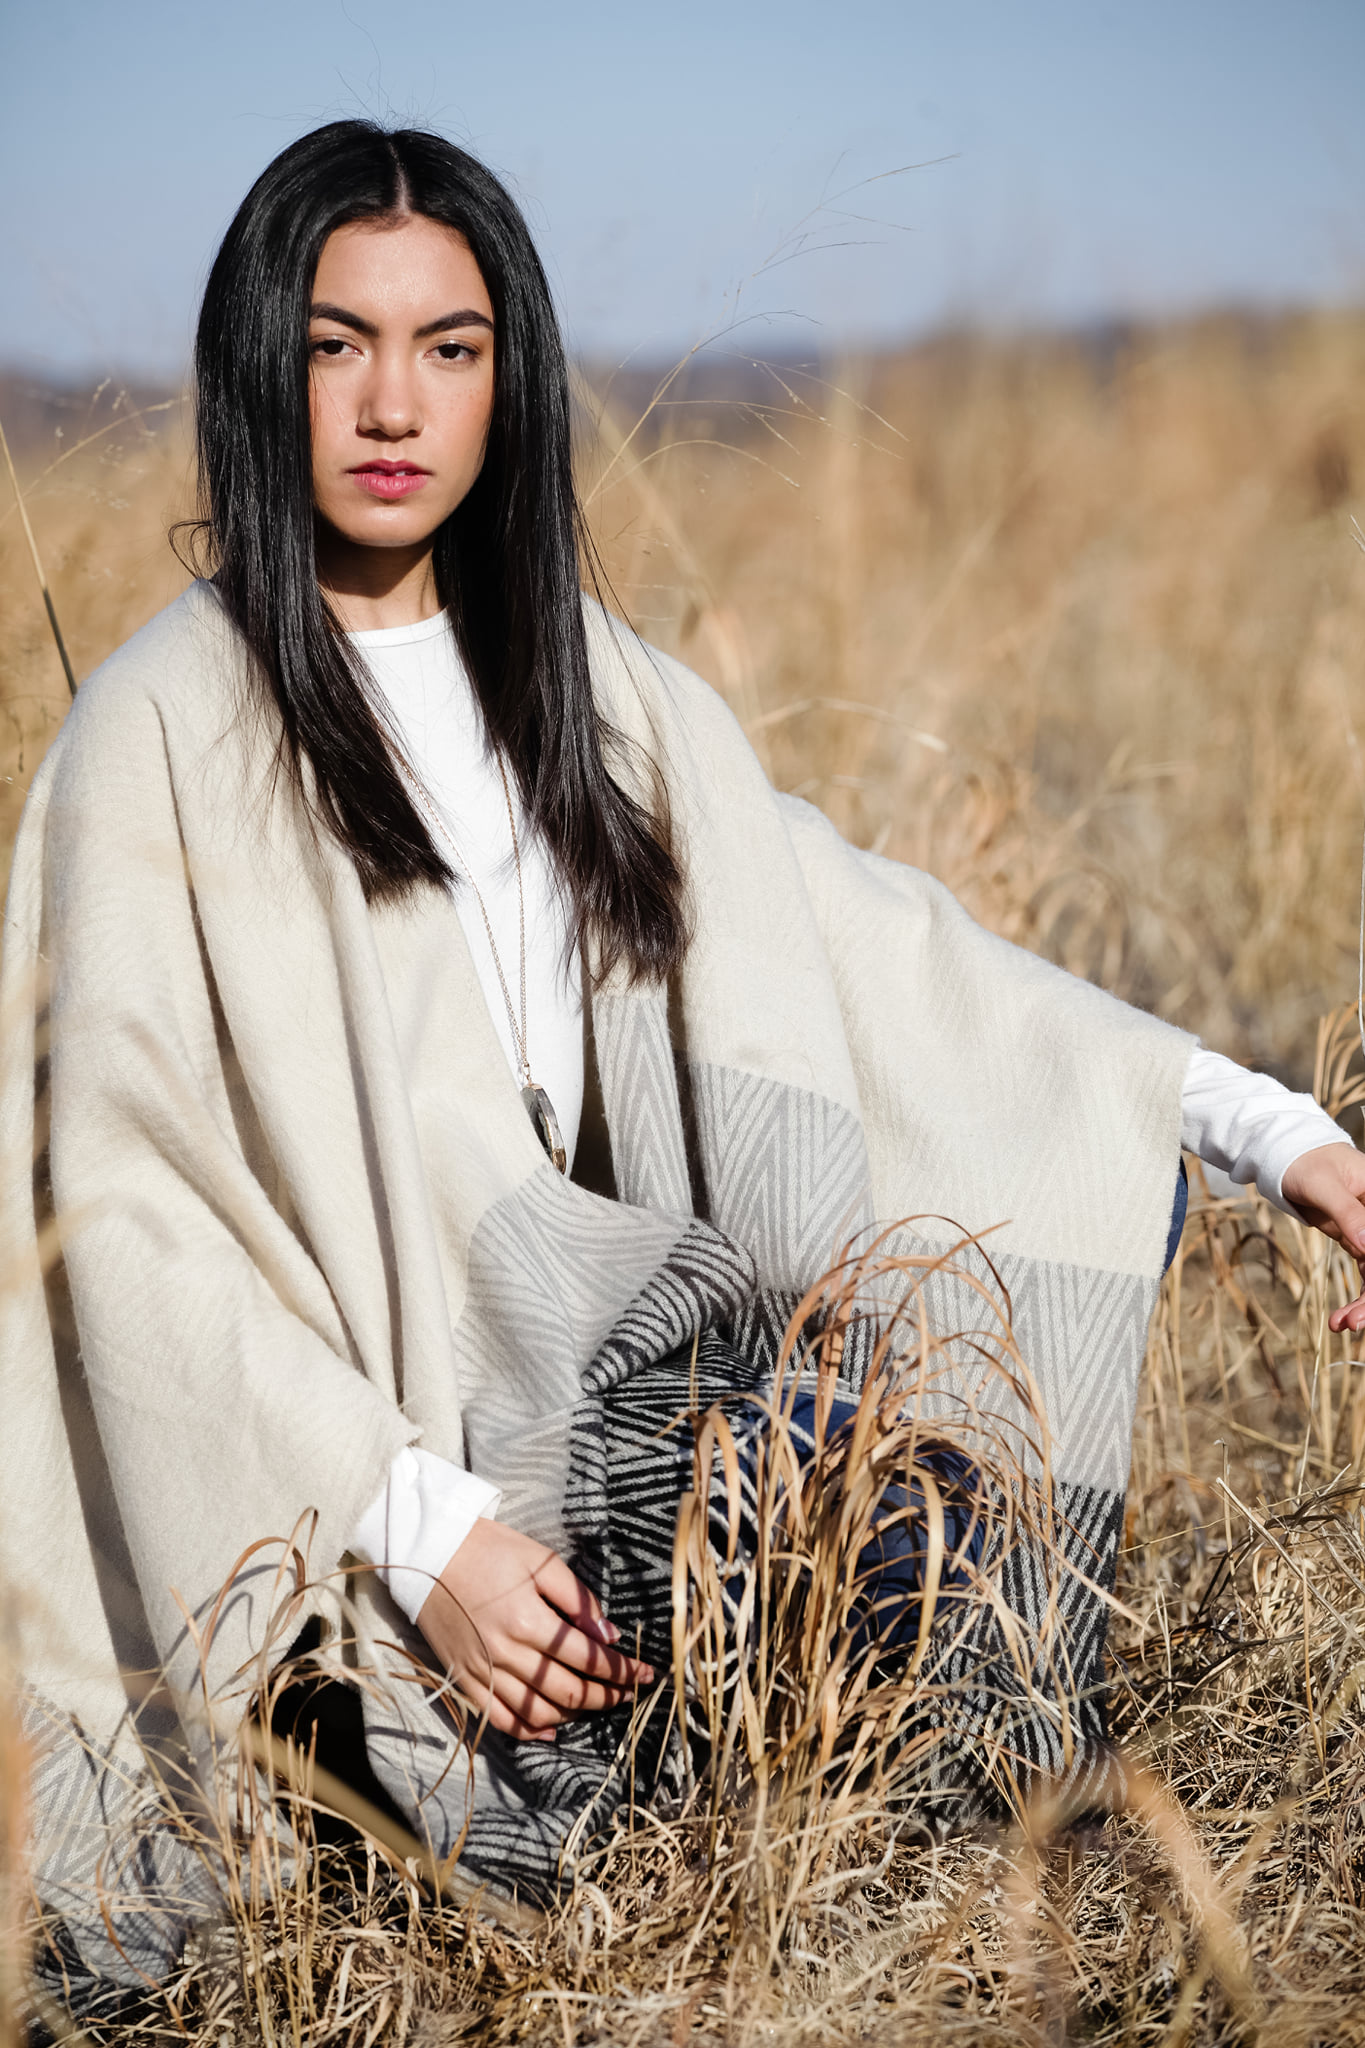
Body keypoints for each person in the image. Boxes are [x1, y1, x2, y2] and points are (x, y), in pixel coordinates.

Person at [5, 119, 1365, 2008]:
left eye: (450, 347)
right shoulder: (161, 726)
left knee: (914, 1526)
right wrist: (423, 1530)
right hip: (345, 1508)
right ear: (263, 364)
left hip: (599, 1396)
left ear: (512, 379)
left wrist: (1267, 1131)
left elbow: (874, 942)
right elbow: (124, 1215)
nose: (393, 401)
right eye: (337, 343)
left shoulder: (582, 683)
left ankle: (937, 1933)